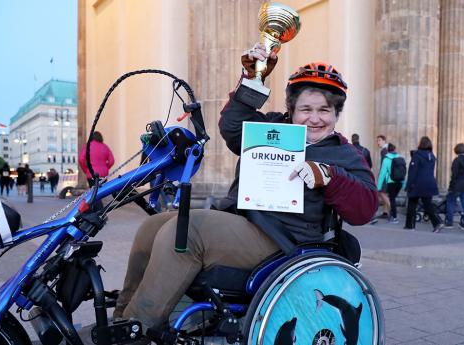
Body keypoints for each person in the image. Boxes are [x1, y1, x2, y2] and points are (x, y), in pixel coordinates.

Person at [112, 43, 378, 334]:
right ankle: (122, 320)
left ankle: (137, 329)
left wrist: (330, 176)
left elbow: (365, 208)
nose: (315, 118)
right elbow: (232, 128)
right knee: (152, 227)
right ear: (292, 110)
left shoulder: (344, 154)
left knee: (188, 231)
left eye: (324, 110)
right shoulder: (276, 128)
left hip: (284, 239)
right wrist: (253, 80)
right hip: (242, 219)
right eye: (305, 109)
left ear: (336, 113)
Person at [404, 136, 443, 232]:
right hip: (430, 183)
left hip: (418, 183)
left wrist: (408, 185)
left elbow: (412, 171)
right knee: (428, 205)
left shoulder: (417, 155)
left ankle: (410, 225)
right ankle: (437, 222)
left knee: (412, 204)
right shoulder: (432, 156)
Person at [445, 143, 464, 228]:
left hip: (458, 184)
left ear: (456, 150)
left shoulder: (457, 160)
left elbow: (454, 175)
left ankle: (449, 222)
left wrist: (450, 187)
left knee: (450, 201)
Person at [377, 143, 404, 223]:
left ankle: (394, 218)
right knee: (392, 199)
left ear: (388, 151)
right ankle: (391, 215)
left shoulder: (386, 159)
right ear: (395, 150)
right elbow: (403, 171)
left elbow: (382, 174)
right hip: (399, 182)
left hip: (391, 182)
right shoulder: (400, 158)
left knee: (391, 200)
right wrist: (404, 183)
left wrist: (378, 186)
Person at [374, 134, 390, 220]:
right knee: (384, 193)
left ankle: (392, 211)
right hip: (389, 176)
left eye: (379, 140)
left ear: (384, 141)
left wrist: (380, 176)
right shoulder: (388, 150)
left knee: (381, 193)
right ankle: (385, 212)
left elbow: (384, 165)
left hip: (385, 176)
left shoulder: (384, 150)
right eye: (377, 141)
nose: (378, 142)